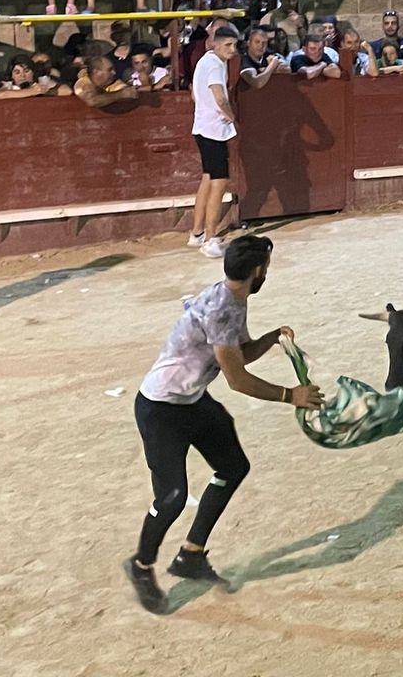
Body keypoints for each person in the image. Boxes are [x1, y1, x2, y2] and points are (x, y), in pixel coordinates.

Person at [123, 235, 323, 613]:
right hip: (161, 410)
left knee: (232, 467)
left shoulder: (231, 298)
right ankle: (140, 565)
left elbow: (238, 353)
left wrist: (271, 339)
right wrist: (290, 395)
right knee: (171, 498)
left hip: (192, 401)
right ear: (257, 272)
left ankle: (191, 555)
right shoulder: (224, 309)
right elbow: (237, 379)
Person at [189, 26, 241, 259]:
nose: (233, 49)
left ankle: (197, 233)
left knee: (208, 179)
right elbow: (219, 95)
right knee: (219, 182)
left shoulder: (206, 61)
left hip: (203, 127)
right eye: (228, 45)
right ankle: (210, 239)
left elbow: (195, 94)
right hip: (213, 130)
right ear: (215, 44)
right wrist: (231, 115)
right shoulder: (214, 65)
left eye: (234, 44)